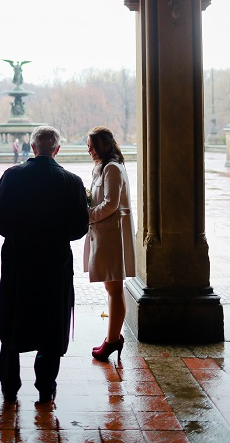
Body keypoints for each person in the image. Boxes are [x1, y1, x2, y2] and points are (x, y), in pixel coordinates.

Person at [0, 126, 89, 404]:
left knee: (12, 321)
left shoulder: (12, 176)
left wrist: (20, 234)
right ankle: (46, 386)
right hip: (55, 261)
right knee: (51, 322)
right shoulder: (72, 181)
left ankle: (10, 387)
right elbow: (81, 226)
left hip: (19, 260)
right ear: (57, 150)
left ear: (32, 148)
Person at [83, 126, 136, 362]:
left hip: (112, 235)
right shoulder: (104, 167)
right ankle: (113, 338)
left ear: (105, 144)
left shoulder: (112, 168)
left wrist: (86, 213)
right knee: (112, 288)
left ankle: (113, 340)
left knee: (114, 288)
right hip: (106, 234)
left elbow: (111, 204)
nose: (89, 150)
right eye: (88, 146)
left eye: (93, 146)